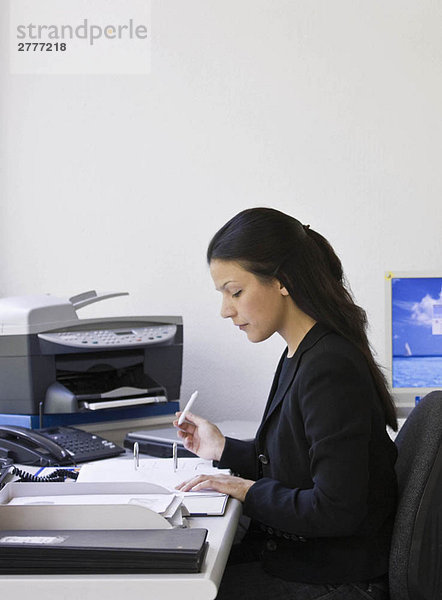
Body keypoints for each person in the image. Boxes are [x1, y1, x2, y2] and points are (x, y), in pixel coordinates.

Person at [174, 207, 398, 600]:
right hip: (306, 564)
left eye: (235, 291)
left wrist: (246, 490)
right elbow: (296, 465)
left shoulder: (328, 366)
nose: (226, 310)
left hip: (335, 582)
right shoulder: (301, 352)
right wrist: (221, 448)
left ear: (281, 281)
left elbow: (335, 508)